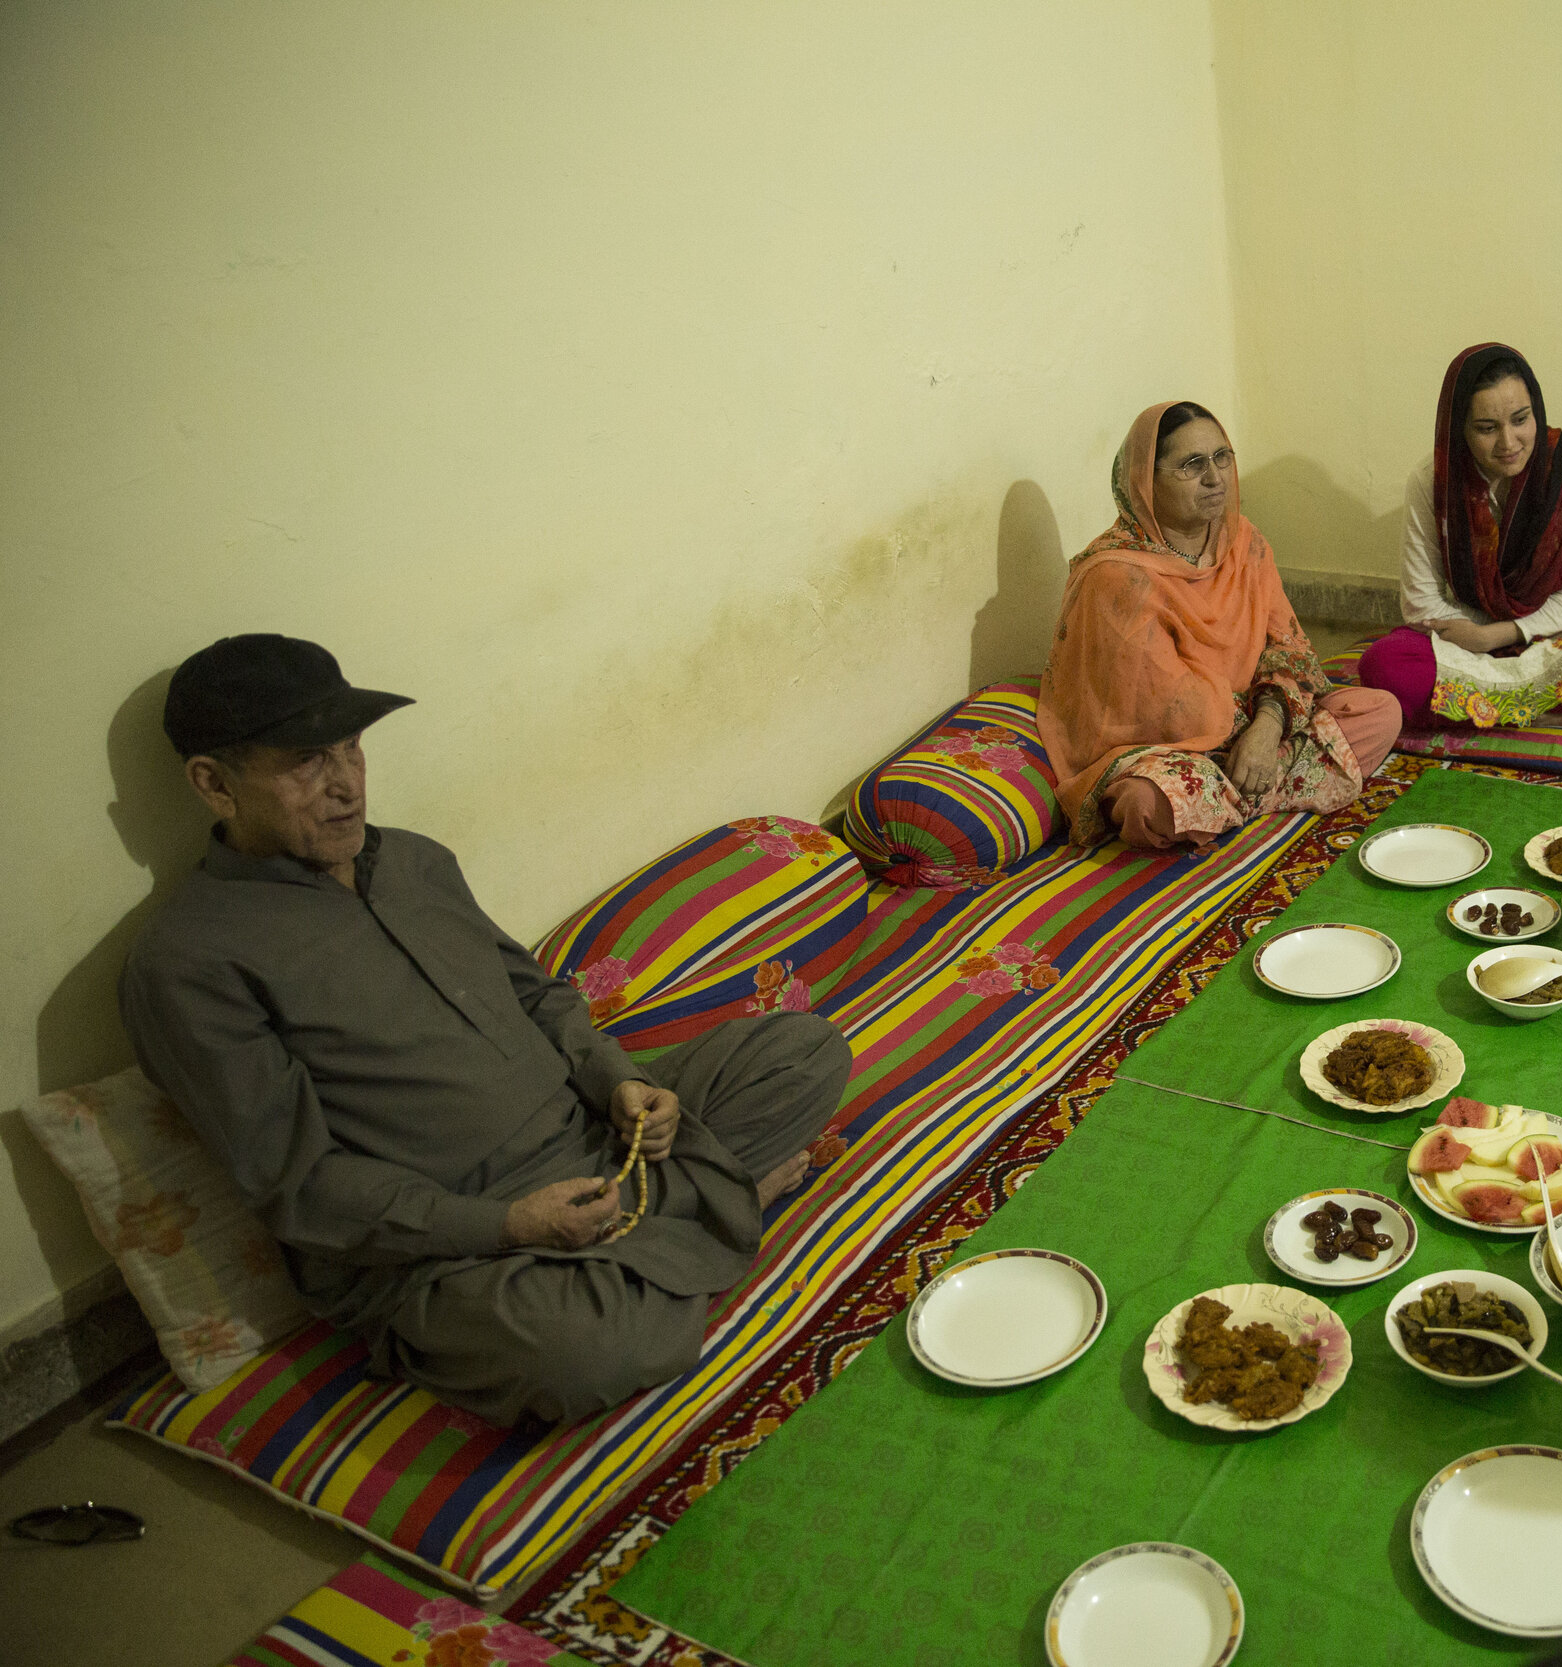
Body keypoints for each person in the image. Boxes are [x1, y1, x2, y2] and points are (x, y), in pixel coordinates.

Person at [120, 635, 853, 1426]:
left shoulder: (413, 861)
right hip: (454, 1241)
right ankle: (718, 1199)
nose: (347, 786)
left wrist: (621, 1085)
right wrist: (510, 1223)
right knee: (577, 1355)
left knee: (804, 1050)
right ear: (214, 784)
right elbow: (301, 1187)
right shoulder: (188, 964)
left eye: (353, 749)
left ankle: (663, 1222)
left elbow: (539, 997)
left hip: (597, 1143)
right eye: (305, 763)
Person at [1036, 400, 1402, 851]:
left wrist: (1266, 730)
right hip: (1178, 750)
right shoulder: (1117, 576)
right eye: (1191, 465)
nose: (1214, 478)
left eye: (1221, 457)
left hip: (1259, 732)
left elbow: (1287, 646)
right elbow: (1163, 707)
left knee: (1380, 712)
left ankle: (1237, 795)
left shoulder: (1244, 542)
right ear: (1144, 482)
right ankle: (1259, 786)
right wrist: (1249, 738)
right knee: (1145, 804)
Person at [1355, 343, 1562, 730]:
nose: (1509, 442)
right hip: (1469, 642)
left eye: (1520, 419)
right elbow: (1420, 603)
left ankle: (1489, 710)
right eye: (1486, 428)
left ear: (1536, 409)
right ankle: (1549, 715)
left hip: (1545, 639)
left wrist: (1498, 636)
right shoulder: (1432, 482)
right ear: (1458, 428)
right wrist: (1479, 639)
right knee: (1383, 665)